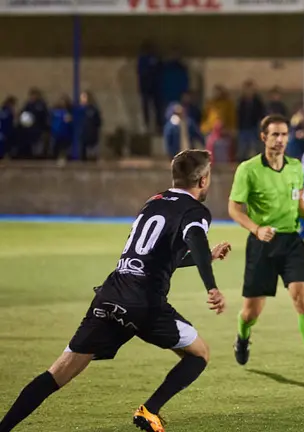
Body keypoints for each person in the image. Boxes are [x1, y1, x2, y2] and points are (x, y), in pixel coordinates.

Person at [0, 149, 230, 432]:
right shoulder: (196, 211)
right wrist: (211, 286)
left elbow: (156, 256)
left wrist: (206, 257)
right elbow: (194, 237)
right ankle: (149, 410)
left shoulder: (154, 201)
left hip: (112, 294)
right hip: (145, 303)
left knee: (58, 372)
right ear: (203, 180)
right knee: (199, 354)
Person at [228, 114, 304, 377]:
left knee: (301, 297)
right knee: (251, 312)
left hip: (291, 241)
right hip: (262, 244)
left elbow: (299, 203)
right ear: (264, 137)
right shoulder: (248, 169)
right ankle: (243, 336)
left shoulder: (295, 167)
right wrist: (256, 229)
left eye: (284, 134)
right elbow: (234, 209)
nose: (280, 139)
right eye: (275, 134)